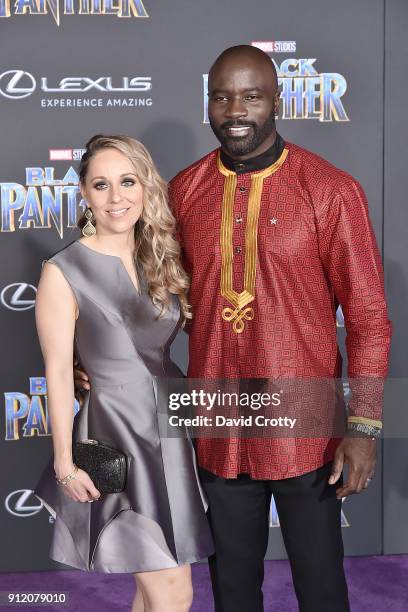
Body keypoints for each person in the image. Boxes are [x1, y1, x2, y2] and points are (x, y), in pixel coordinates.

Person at [75, 46, 392, 612]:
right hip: (218, 424)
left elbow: (368, 316)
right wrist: (99, 361)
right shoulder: (184, 192)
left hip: (307, 423)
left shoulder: (330, 191)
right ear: (208, 105)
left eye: (251, 96)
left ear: (276, 100)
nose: (235, 109)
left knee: (322, 587)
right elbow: (153, 299)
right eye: (222, 97)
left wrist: (364, 427)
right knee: (231, 590)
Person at [33, 134, 214, 612]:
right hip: (118, 434)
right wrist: (64, 462)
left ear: (145, 186)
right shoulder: (63, 270)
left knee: (152, 589)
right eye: (101, 184)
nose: (117, 197)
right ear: (85, 195)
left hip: (172, 427)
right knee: (173, 590)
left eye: (127, 181)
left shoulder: (160, 258)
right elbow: (55, 373)